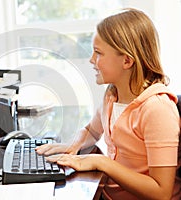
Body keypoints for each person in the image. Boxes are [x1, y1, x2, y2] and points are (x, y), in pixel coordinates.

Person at [36, 8, 180, 200]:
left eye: (98, 53)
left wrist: (101, 162)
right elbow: (92, 131)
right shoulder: (112, 96)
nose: (91, 60)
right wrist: (72, 145)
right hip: (107, 193)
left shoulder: (157, 109)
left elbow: (161, 192)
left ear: (127, 60)